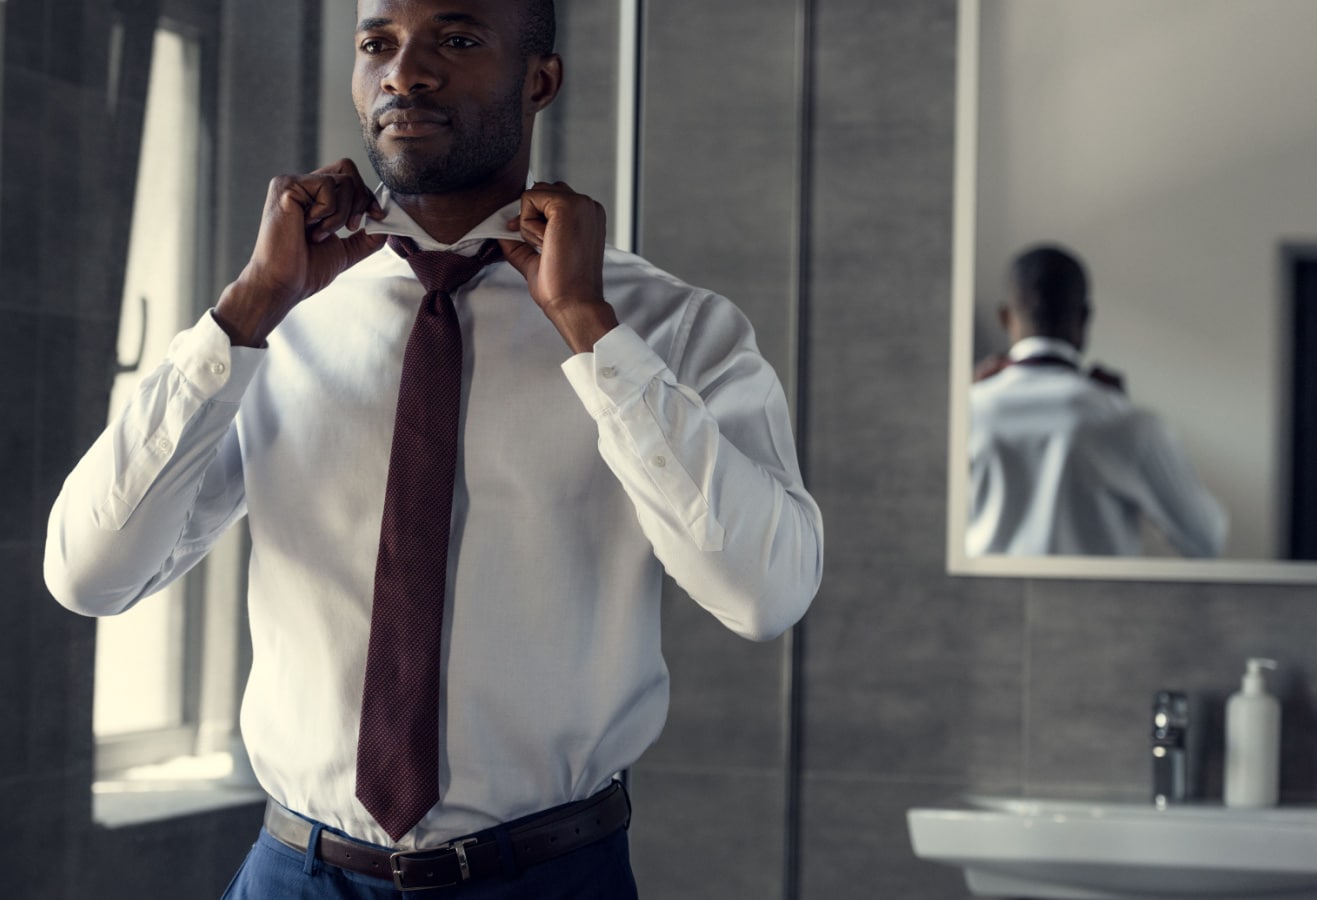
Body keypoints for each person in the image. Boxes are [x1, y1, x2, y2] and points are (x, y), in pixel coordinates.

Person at [43, 0, 823, 896]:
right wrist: (247, 310)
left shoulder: (675, 331)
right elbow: (88, 574)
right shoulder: (274, 325)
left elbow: (768, 595)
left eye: (455, 41)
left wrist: (593, 335)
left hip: (549, 877)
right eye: (378, 43)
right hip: (297, 875)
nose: (405, 74)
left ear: (541, 81)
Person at [967, 244, 1226, 558]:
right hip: (1096, 607)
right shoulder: (1129, 424)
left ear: (1005, 317)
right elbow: (1206, 538)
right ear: (1086, 316)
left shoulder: (964, 413)